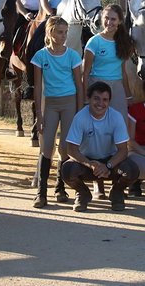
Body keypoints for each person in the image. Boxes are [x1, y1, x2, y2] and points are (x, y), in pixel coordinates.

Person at [61, 82, 140, 212]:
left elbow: (123, 150)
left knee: (132, 170)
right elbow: (71, 150)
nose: (100, 103)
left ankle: (117, 192)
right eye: (96, 98)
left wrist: (108, 165)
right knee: (67, 170)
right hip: (86, 162)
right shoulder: (80, 117)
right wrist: (90, 164)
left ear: (109, 101)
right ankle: (83, 193)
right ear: (88, 99)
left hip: (111, 163)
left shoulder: (116, 117)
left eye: (105, 100)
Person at [30, 16, 84, 208]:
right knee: (46, 147)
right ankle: (41, 192)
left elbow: (79, 85)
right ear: (50, 33)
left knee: (65, 148)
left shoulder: (73, 56)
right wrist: (39, 113)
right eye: (59, 32)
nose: (63, 36)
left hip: (69, 103)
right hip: (50, 104)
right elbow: (37, 87)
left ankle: (60, 187)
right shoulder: (40, 56)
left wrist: (79, 111)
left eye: (65, 32)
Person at [82, 4, 134, 121]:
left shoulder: (124, 42)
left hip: (117, 87)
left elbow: (123, 72)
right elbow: (85, 73)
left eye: (113, 19)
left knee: (120, 122)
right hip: (97, 85)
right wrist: (86, 98)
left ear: (120, 21)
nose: (109, 22)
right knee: (97, 122)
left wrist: (128, 95)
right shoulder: (94, 42)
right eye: (106, 18)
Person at [10, 0, 42, 79]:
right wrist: (24, 13)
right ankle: (9, 65)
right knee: (12, 35)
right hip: (26, 12)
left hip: (42, 13)